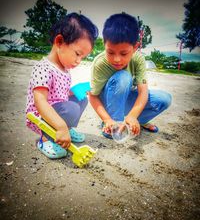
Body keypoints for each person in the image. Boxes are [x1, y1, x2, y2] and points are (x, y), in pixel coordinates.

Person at [26, 12, 98, 158]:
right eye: (77, 54)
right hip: (40, 115)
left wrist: (76, 91)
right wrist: (60, 126)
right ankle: (45, 139)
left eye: (82, 57)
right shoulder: (43, 68)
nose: (79, 61)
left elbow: (61, 94)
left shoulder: (64, 70)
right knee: (71, 108)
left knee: (82, 99)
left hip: (59, 109)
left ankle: (68, 127)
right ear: (59, 42)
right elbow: (40, 102)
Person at [89, 13, 172, 139]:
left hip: (126, 98)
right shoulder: (99, 63)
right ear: (104, 44)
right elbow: (93, 96)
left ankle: (135, 121)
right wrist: (106, 119)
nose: (117, 59)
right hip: (108, 102)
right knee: (124, 77)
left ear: (135, 48)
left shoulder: (138, 59)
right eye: (110, 52)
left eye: (124, 53)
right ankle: (113, 124)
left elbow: (143, 91)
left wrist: (133, 115)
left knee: (164, 99)